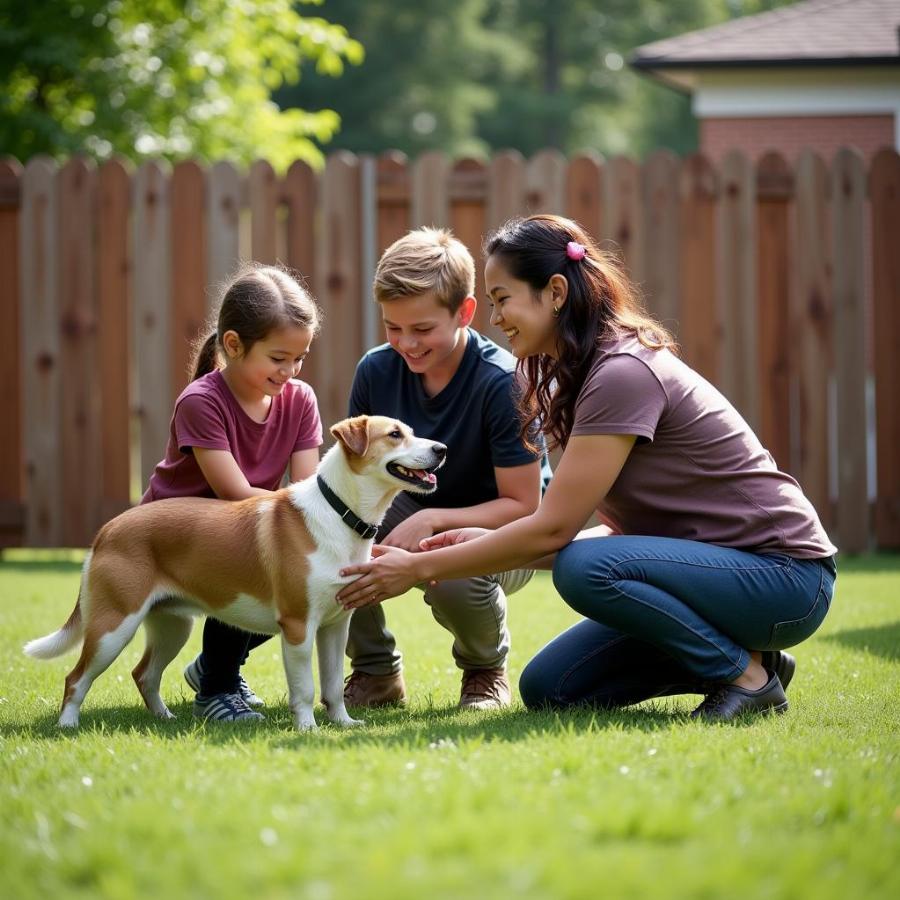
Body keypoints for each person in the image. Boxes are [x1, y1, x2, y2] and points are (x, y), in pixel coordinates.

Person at [336, 214, 837, 722]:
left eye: (503, 298)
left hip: (783, 578)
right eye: (491, 301)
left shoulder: (623, 371)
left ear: (555, 292)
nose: (497, 316)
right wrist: (473, 543)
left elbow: (554, 530)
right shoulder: (576, 372)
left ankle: (745, 679)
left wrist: (419, 566)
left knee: (581, 568)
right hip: (713, 570)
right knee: (552, 688)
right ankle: (754, 660)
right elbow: (615, 536)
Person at [342, 227, 551, 711]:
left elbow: (525, 506)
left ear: (465, 312)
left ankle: (484, 671)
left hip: (509, 533)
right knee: (336, 540)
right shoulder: (375, 370)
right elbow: (356, 479)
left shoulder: (504, 383)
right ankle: (375, 671)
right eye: (393, 327)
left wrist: (434, 519)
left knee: (453, 572)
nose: (406, 343)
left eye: (422, 329)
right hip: (404, 514)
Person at [142, 263, 323, 722]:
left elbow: (305, 488)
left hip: (248, 522)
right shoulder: (201, 401)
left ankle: (213, 667)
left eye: (299, 358)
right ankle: (216, 689)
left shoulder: (300, 400)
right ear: (233, 345)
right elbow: (234, 493)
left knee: (307, 590)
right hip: (180, 536)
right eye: (278, 358)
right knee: (241, 556)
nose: (291, 371)